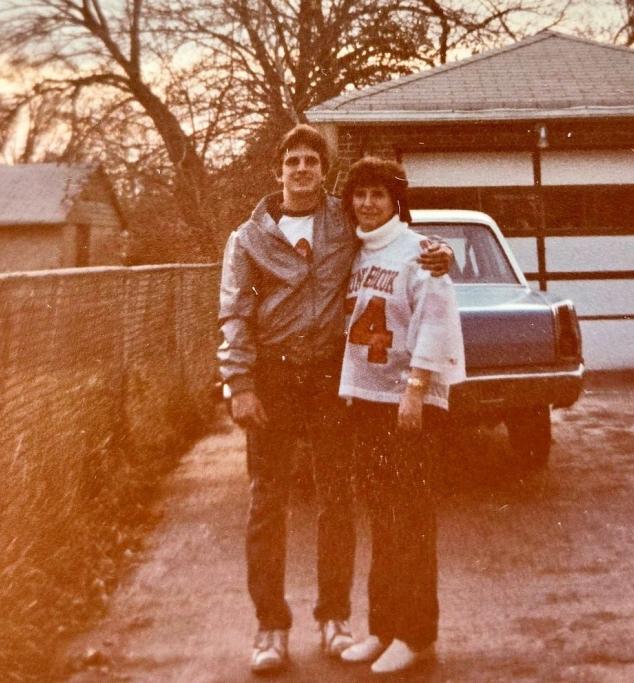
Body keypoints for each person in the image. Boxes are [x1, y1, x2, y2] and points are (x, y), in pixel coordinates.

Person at [217, 125, 453, 674]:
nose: (301, 169)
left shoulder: (344, 222)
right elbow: (233, 315)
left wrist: (439, 252)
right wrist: (240, 384)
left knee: (336, 501)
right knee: (267, 501)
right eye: (292, 161)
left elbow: (397, 237)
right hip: (272, 378)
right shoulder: (247, 239)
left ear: (324, 171)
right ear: (277, 169)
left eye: (311, 161)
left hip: (330, 378)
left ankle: (334, 618)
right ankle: (271, 627)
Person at [335, 157, 465, 675]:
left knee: (409, 520)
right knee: (381, 519)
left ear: (395, 202)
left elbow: (436, 320)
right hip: (365, 400)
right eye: (360, 195)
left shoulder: (421, 253)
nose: (367, 204)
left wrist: (415, 388)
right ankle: (384, 627)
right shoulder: (354, 251)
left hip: (407, 404)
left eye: (378, 196)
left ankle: (416, 635)